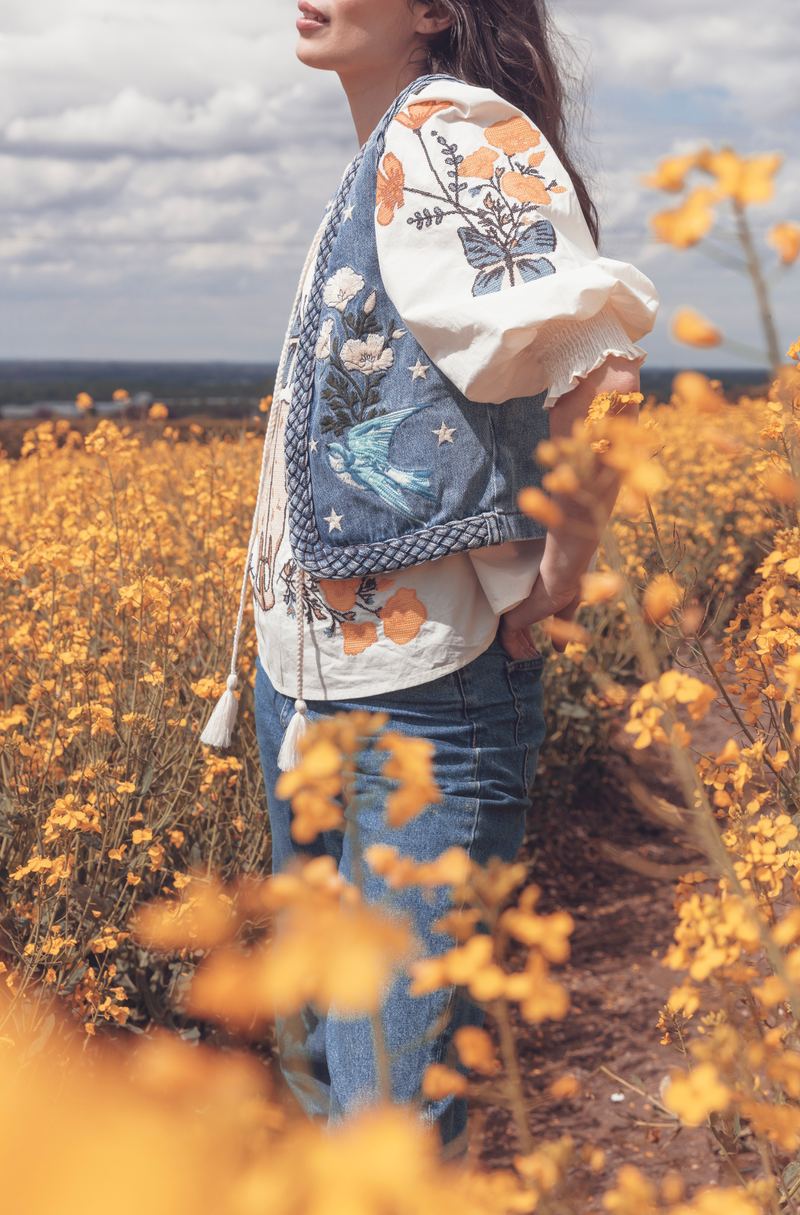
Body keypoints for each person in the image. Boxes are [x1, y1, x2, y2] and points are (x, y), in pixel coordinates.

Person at [205, 0, 657, 1157]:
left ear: (432, 10)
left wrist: (555, 574)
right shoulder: (386, 150)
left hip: (424, 693)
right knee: (325, 1080)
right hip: (317, 685)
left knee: (382, 1126)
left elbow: (597, 369)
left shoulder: (449, 126)